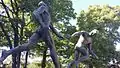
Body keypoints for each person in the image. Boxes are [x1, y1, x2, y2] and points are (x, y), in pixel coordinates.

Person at [0, 1, 63, 68]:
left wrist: (59, 35)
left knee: (28, 46)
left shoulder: (47, 15)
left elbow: (52, 27)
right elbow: (36, 13)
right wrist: (43, 24)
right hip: (44, 30)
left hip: (39, 30)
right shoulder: (43, 7)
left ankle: (7, 52)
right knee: (52, 47)